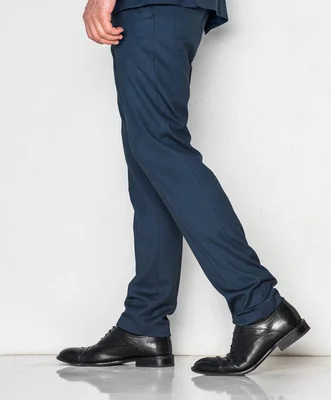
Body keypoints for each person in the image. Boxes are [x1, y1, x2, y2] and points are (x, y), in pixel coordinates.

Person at [57, 0, 309, 376]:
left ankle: (259, 305)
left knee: (160, 148)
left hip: (152, 5)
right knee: (149, 166)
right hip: (160, 8)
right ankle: (144, 322)